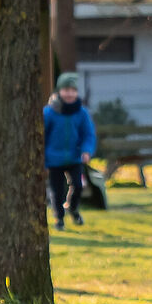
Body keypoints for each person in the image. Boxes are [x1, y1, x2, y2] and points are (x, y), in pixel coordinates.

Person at [43, 72, 97, 229]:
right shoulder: (49, 112)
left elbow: (88, 134)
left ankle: (73, 208)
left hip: (74, 157)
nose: (70, 94)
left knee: (78, 186)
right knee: (57, 190)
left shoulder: (82, 113)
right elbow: (43, 135)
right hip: (54, 158)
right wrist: (44, 157)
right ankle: (59, 218)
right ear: (59, 91)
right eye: (66, 90)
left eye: (73, 90)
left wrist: (86, 150)